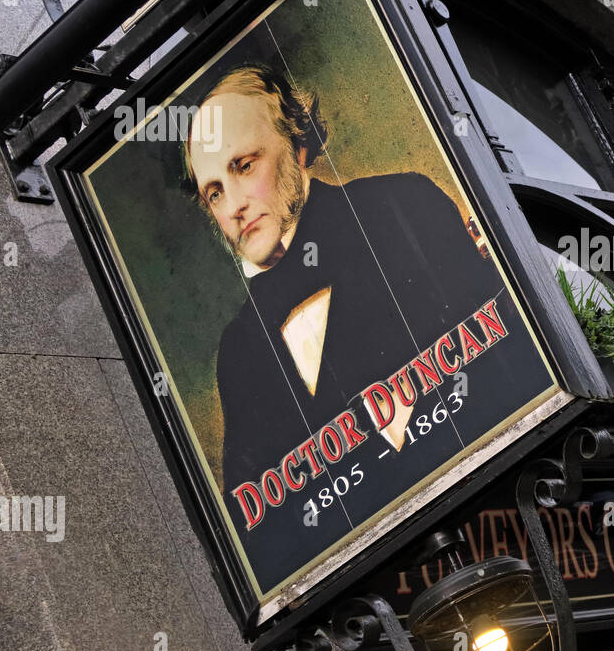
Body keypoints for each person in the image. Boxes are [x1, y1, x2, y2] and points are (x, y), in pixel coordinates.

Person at [183, 64, 552, 589]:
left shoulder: (400, 206)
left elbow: (520, 357)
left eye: (244, 165)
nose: (235, 205)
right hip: (379, 592)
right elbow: (265, 533)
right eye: (214, 192)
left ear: (297, 141)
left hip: (517, 516)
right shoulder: (240, 349)